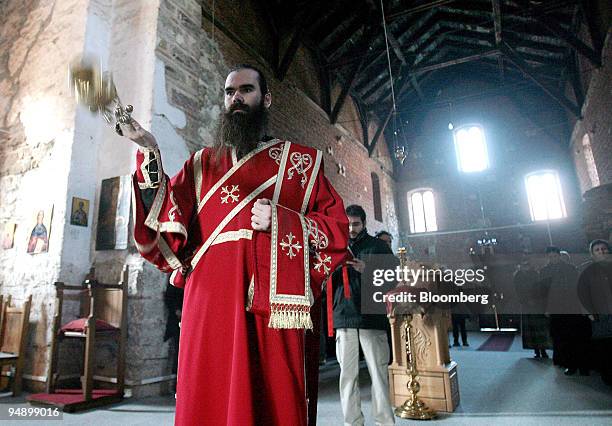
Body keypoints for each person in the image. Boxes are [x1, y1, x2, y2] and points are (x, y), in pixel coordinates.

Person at [120, 64, 349, 426]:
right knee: (209, 394)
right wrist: (149, 150)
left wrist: (284, 221)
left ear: (266, 98)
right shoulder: (202, 163)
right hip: (209, 303)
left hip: (269, 310)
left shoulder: (300, 164)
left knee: (269, 397)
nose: (236, 98)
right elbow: (166, 222)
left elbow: (337, 231)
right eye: (229, 93)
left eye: (246, 90)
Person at [331, 205, 395, 426]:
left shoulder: (378, 247)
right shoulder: (336, 247)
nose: (351, 228)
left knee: (378, 374)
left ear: (364, 223)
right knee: (347, 376)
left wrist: (367, 269)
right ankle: (353, 422)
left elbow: (392, 279)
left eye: (356, 224)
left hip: (372, 316)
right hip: (344, 315)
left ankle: (384, 421)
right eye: (348, 224)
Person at [542, 246, 590, 375]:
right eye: (550, 257)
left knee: (576, 337)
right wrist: (547, 308)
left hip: (571, 306)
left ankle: (582, 365)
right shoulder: (545, 271)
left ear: (559, 255)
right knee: (562, 338)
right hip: (556, 308)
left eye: (555, 256)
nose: (553, 259)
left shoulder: (570, 269)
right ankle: (570, 364)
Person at [577, 239, 612, 384]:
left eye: (603, 249)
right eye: (597, 250)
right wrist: (588, 312)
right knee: (604, 346)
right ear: (592, 254)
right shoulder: (586, 270)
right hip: (599, 314)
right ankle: (608, 376)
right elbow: (580, 292)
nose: (601, 251)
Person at [513, 256, 551, 358]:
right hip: (527, 306)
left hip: (536, 305)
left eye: (527, 264)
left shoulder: (535, 274)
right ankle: (536, 350)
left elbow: (540, 289)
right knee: (531, 329)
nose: (526, 266)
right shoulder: (518, 276)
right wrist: (525, 301)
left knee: (539, 328)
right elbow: (518, 291)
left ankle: (542, 350)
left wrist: (537, 301)